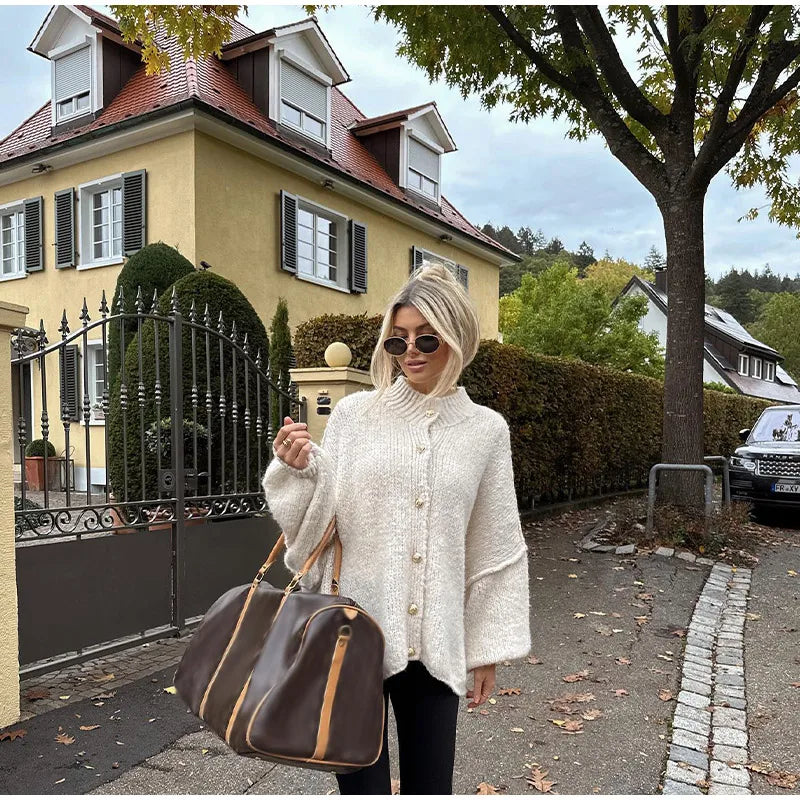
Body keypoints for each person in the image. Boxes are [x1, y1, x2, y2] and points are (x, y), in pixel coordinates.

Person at [262, 263, 531, 794]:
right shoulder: (354, 416)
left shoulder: (485, 431)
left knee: (431, 786)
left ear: (456, 341)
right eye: (398, 340)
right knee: (361, 787)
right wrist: (297, 472)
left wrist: (486, 648)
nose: (411, 351)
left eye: (427, 339)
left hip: (436, 642)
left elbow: (494, 543)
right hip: (349, 634)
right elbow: (319, 524)